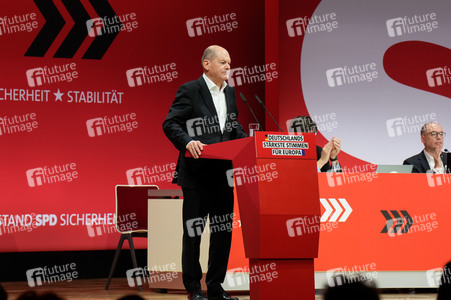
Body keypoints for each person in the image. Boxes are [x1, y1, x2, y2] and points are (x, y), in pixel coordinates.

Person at [163, 45, 247, 300]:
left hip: (223, 176)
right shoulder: (190, 90)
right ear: (206, 64)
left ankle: (216, 287)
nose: (228, 67)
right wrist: (188, 141)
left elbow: (233, 130)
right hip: (197, 175)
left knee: (222, 235)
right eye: (223, 62)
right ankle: (193, 288)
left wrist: (252, 142)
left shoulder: (231, 94)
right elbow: (170, 123)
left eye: (230, 63)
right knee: (194, 234)